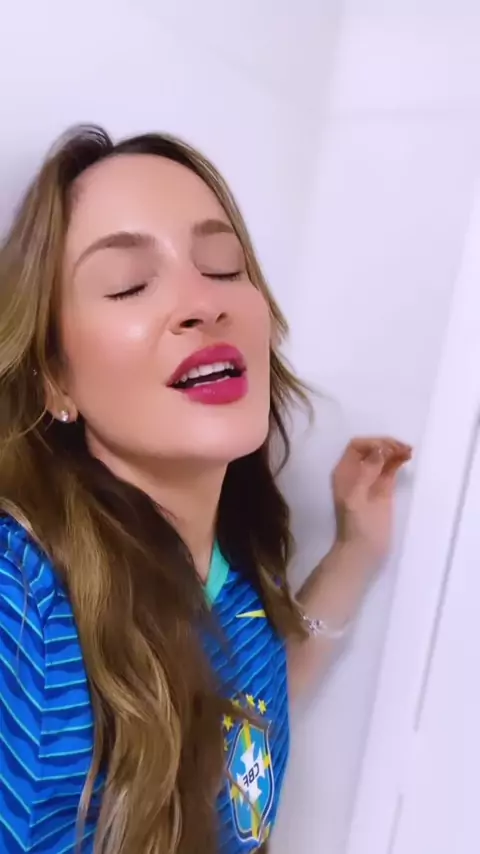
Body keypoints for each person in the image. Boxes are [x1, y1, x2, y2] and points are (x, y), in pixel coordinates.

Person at [0, 125, 411, 854]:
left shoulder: (233, 575)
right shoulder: (20, 595)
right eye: (129, 284)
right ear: (56, 379)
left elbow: (245, 705)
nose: (202, 302)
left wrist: (353, 554)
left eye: (223, 268)